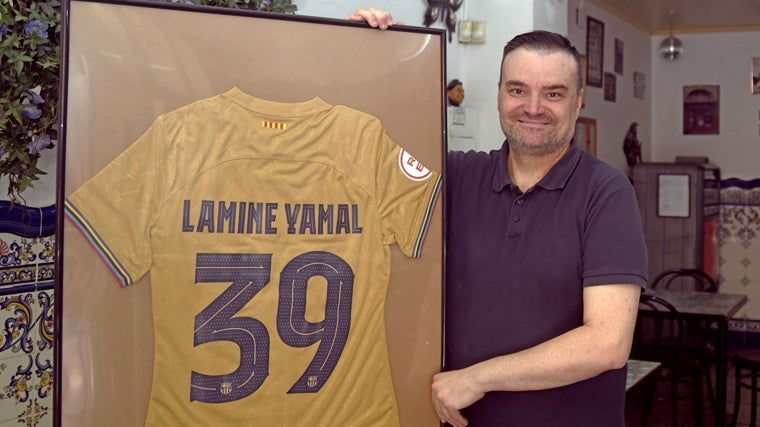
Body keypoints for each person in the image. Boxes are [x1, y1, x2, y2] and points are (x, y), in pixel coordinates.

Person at [350, 8, 648, 427]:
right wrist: (369, 50)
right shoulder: (455, 176)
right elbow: (367, 147)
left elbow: (607, 343)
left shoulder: (607, 193)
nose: (533, 107)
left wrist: (478, 378)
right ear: (499, 94)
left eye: (554, 93)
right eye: (518, 89)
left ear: (578, 101)